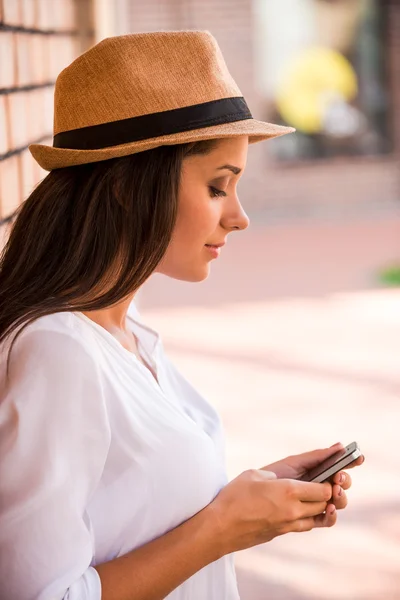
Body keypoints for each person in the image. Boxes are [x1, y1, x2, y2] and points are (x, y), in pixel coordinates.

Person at [0, 31, 363, 600]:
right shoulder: (59, 351)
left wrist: (252, 504)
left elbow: (133, 514)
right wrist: (220, 529)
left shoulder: (130, 333)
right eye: (219, 187)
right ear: (126, 187)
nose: (239, 217)